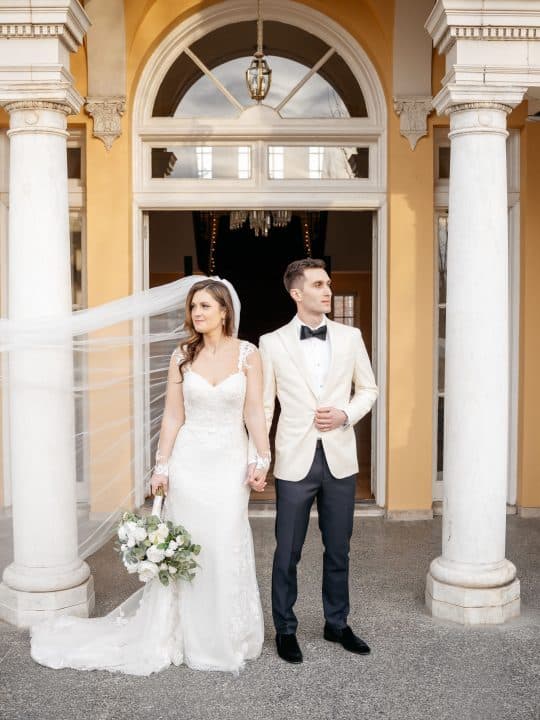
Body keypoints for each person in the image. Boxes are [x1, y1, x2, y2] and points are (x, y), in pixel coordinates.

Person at [30, 278, 270, 675]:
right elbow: (174, 415)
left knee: (225, 540)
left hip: (228, 462)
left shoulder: (248, 355)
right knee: (191, 542)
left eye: (206, 306)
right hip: (189, 461)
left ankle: (227, 634)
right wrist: (162, 467)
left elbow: (254, 413)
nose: (197, 313)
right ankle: (180, 633)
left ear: (225, 311)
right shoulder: (182, 355)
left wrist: (261, 457)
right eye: (194, 307)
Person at [255, 258, 378, 664]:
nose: (327, 289)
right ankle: (285, 629)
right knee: (287, 550)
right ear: (296, 293)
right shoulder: (271, 342)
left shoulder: (350, 336)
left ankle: (337, 624)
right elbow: (264, 406)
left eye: (328, 283)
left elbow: (369, 389)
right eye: (319, 284)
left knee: (339, 548)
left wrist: (346, 414)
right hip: (295, 458)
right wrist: (261, 458)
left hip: (340, 457)